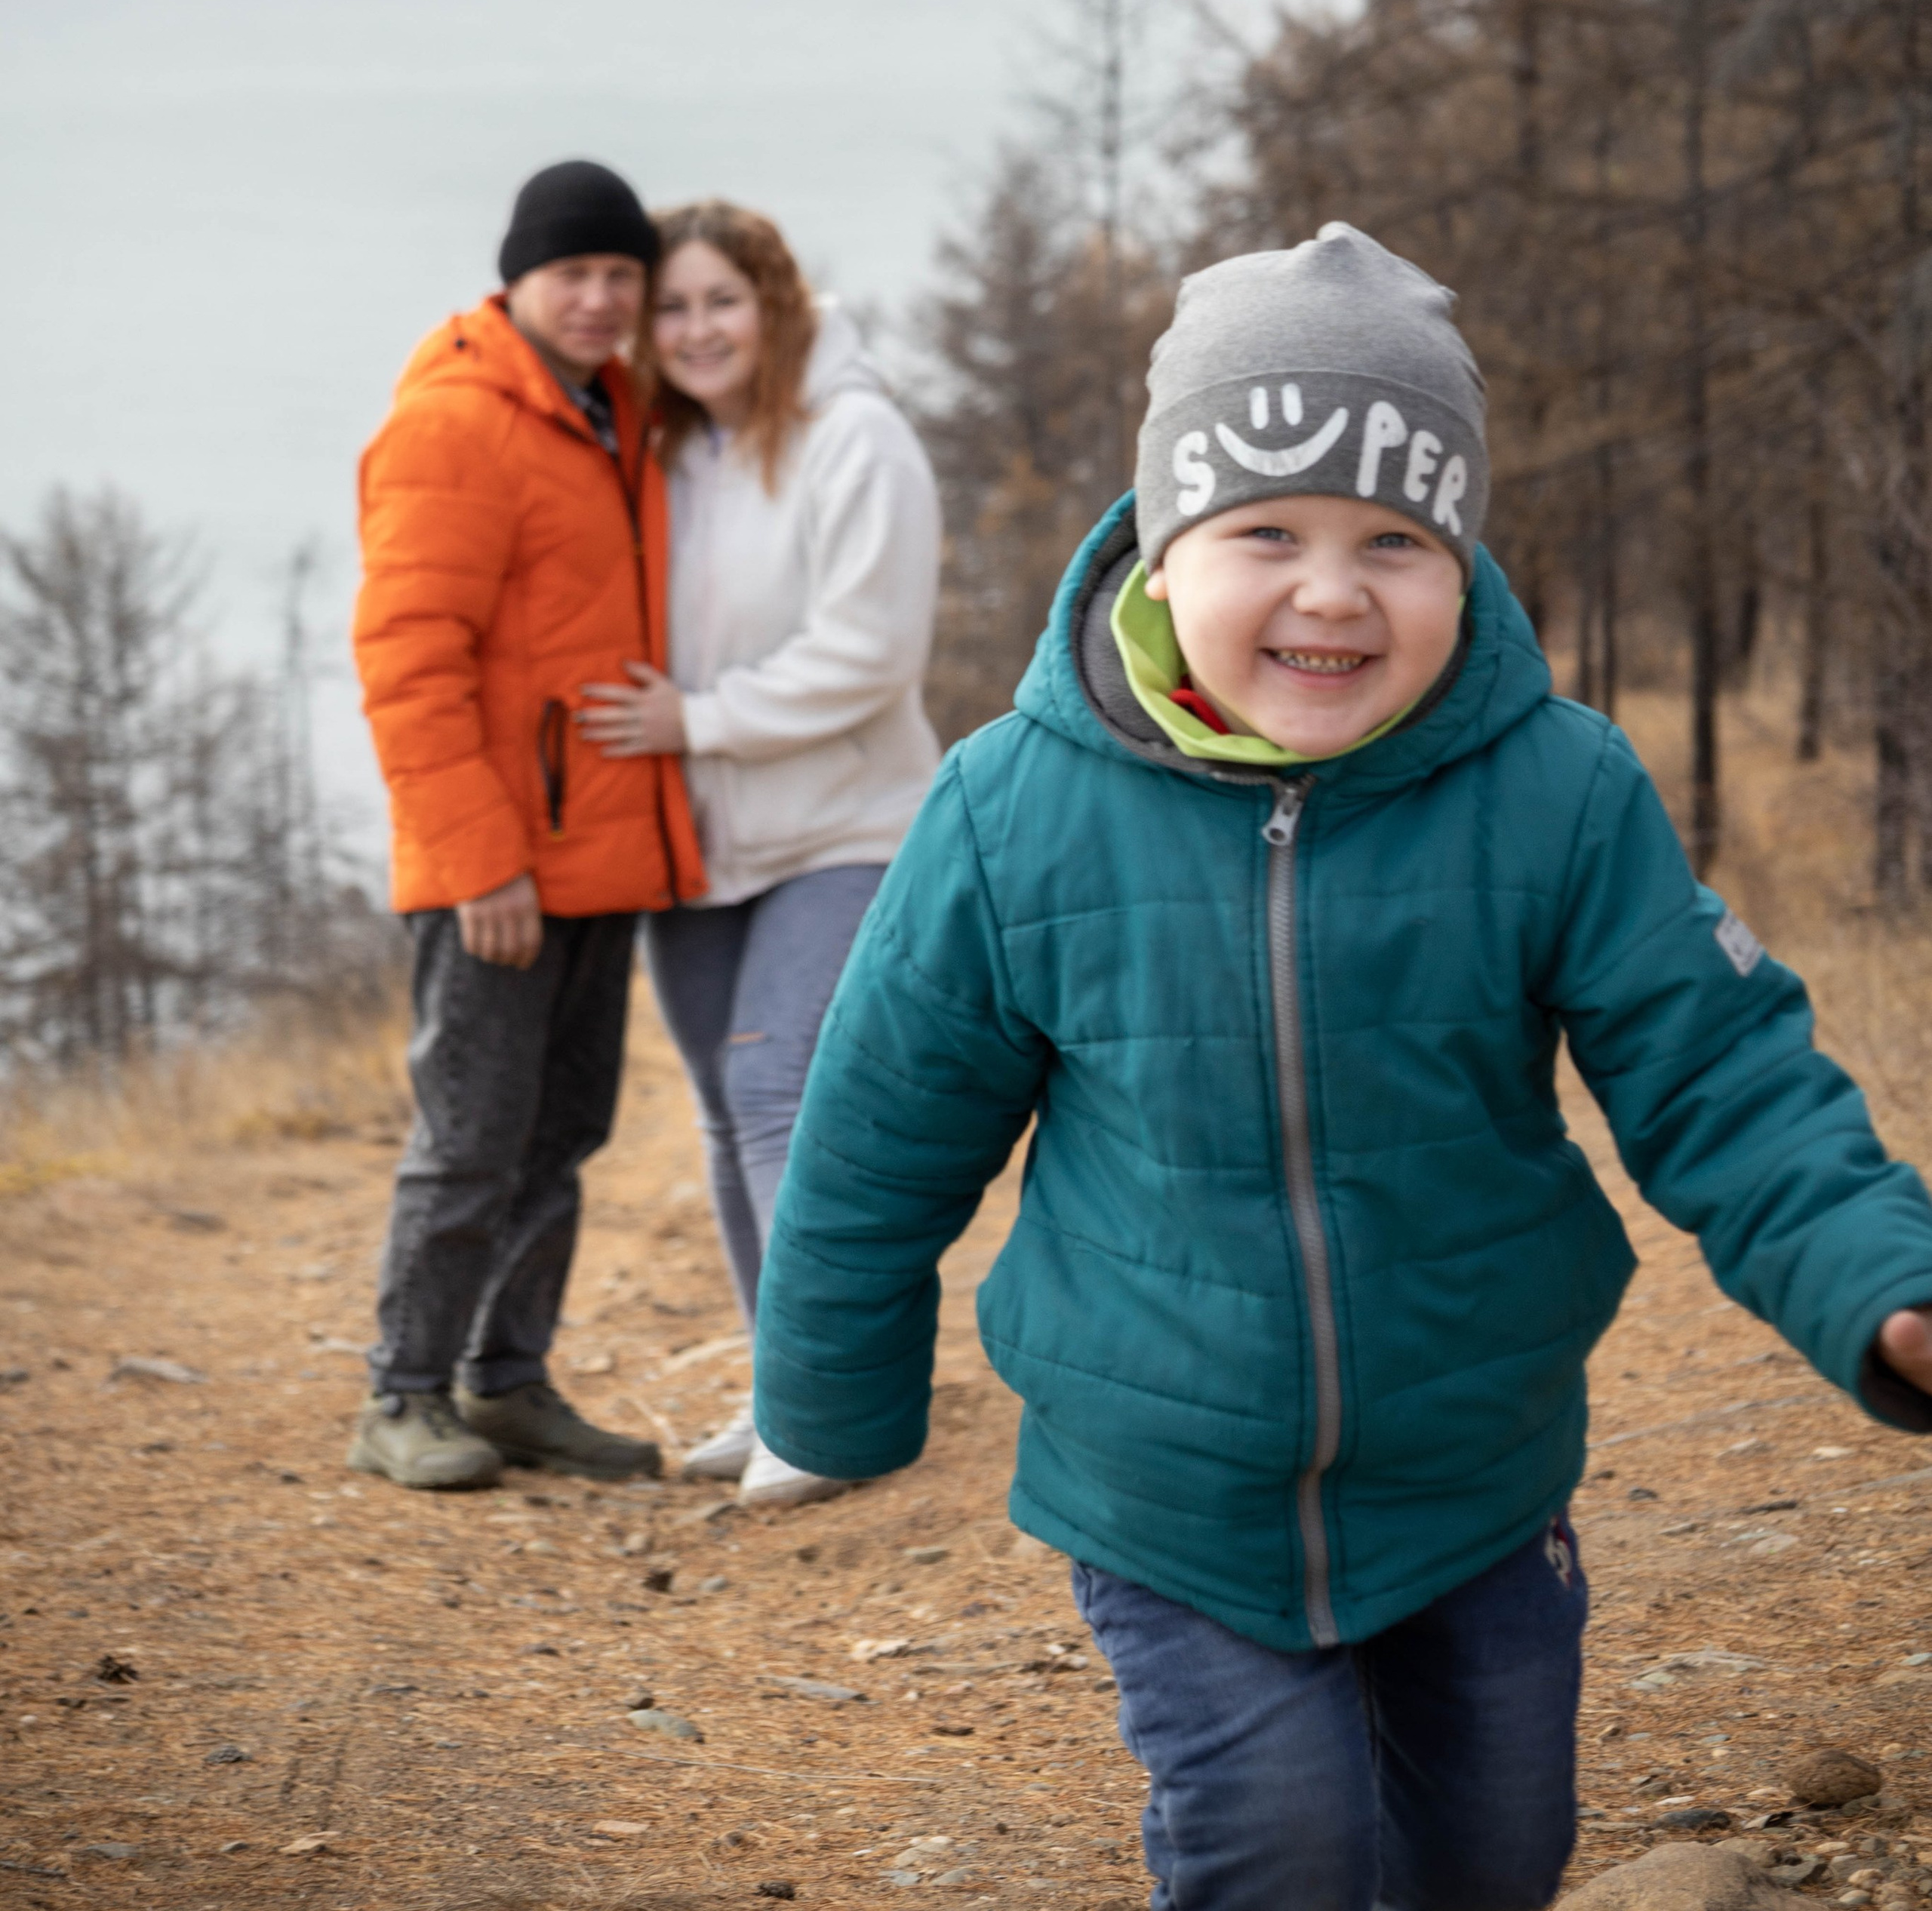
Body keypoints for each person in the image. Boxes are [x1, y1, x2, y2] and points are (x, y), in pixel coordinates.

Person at [750, 221, 1932, 1911]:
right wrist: (829, 1403)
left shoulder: (1556, 791)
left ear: (1459, 563)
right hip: (1162, 1488)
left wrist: (1881, 1284)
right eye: (1263, 533)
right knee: (1280, 1846)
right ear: (1162, 549)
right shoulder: (1011, 812)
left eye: (1396, 538)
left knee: (1489, 1857)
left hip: (1473, 1462)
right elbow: (877, 1140)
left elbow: (1722, 1076)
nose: (1330, 589)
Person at [347, 159, 706, 1494]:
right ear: (520, 282)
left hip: (601, 852)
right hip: (495, 868)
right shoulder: (454, 423)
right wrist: (477, 859)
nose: (605, 299)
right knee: (470, 1140)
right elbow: (406, 659)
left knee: (561, 1135)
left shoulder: (623, 412)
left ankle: (505, 1384)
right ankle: (402, 1396)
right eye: (578, 276)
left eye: (624, 276)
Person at [577, 200, 940, 1507]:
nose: (695, 329)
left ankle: (833, 1414)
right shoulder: (668, 459)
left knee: (785, 1095)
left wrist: (700, 720)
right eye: (670, 309)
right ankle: (785, 1385)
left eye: (720, 300)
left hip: (841, 829)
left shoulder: (857, 440)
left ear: (775, 301)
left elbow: (872, 652)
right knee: (728, 1111)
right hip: (699, 843)